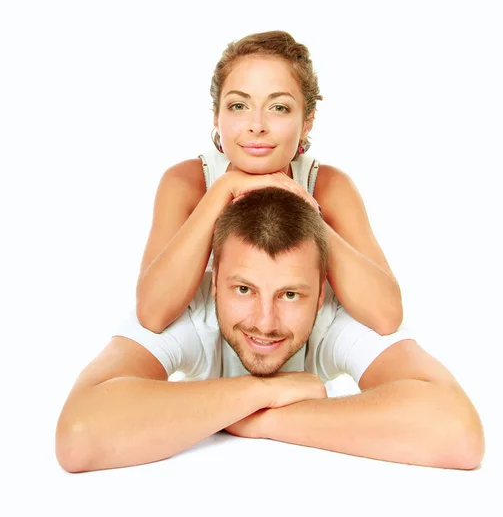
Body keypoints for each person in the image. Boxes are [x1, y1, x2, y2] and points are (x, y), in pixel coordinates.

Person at [55, 188, 485, 473]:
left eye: (291, 295)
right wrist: (261, 392)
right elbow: (78, 437)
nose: (265, 321)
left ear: (322, 294)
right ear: (212, 278)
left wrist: (259, 422)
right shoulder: (190, 307)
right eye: (243, 289)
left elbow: (458, 434)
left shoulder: (338, 311)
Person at [135, 30, 403, 337]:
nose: (257, 126)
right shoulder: (184, 183)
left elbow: (387, 316)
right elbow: (152, 314)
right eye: (239, 105)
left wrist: (307, 213)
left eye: (279, 107)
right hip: (206, 376)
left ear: (307, 121)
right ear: (216, 116)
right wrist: (225, 188)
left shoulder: (330, 187)